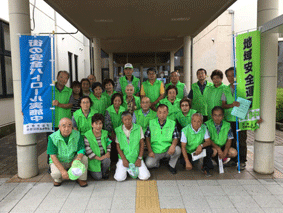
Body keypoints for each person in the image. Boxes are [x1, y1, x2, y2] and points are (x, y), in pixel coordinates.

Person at [47, 118, 88, 187]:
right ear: (59, 127)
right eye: (64, 126)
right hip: (59, 161)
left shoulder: (77, 134)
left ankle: (81, 179)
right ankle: (58, 179)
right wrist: (62, 171)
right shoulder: (53, 137)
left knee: (84, 158)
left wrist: (77, 159)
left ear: (72, 127)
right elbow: (53, 156)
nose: (67, 128)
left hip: (72, 159)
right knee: (56, 174)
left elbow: (81, 149)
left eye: (69, 126)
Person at [221, 67, 248, 170]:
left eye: (233, 75)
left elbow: (249, 103)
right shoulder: (225, 89)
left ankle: (242, 161)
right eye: (228, 75)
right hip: (229, 119)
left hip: (240, 119)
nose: (231, 77)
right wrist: (232, 105)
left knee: (241, 141)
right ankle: (233, 160)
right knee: (231, 141)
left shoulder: (242, 88)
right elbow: (223, 105)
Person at [114, 111, 150, 181]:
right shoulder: (118, 130)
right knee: (119, 178)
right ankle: (124, 168)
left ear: (132, 119)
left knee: (145, 177)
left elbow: (142, 143)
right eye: (125, 119)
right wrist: (124, 159)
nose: (127, 121)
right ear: (122, 120)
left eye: (129, 119)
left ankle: (130, 169)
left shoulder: (138, 128)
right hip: (124, 158)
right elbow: (118, 146)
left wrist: (139, 158)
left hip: (136, 157)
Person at [145, 104, 181, 174]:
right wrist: (150, 151)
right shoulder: (151, 123)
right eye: (160, 112)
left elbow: (176, 137)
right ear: (157, 113)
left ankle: (171, 165)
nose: (162, 115)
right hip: (155, 151)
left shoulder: (172, 123)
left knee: (177, 150)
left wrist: (173, 146)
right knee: (148, 164)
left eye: (164, 112)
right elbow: (147, 137)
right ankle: (158, 162)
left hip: (168, 150)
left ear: (167, 113)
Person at [84, 113, 111, 180]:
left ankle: (104, 172)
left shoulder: (105, 133)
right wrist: (99, 158)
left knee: (107, 160)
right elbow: (87, 149)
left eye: (100, 123)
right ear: (92, 124)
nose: (98, 126)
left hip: (103, 156)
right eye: (96, 123)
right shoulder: (87, 135)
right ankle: (92, 171)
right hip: (93, 159)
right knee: (98, 177)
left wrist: (108, 152)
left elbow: (108, 143)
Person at [105, 93, 126, 162]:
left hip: (121, 132)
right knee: (112, 145)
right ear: (113, 101)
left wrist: (120, 132)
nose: (117, 102)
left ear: (121, 101)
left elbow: (125, 122)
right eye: (115, 100)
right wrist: (112, 132)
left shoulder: (124, 110)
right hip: (111, 133)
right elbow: (107, 123)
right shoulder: (108, 110)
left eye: (119, 101)